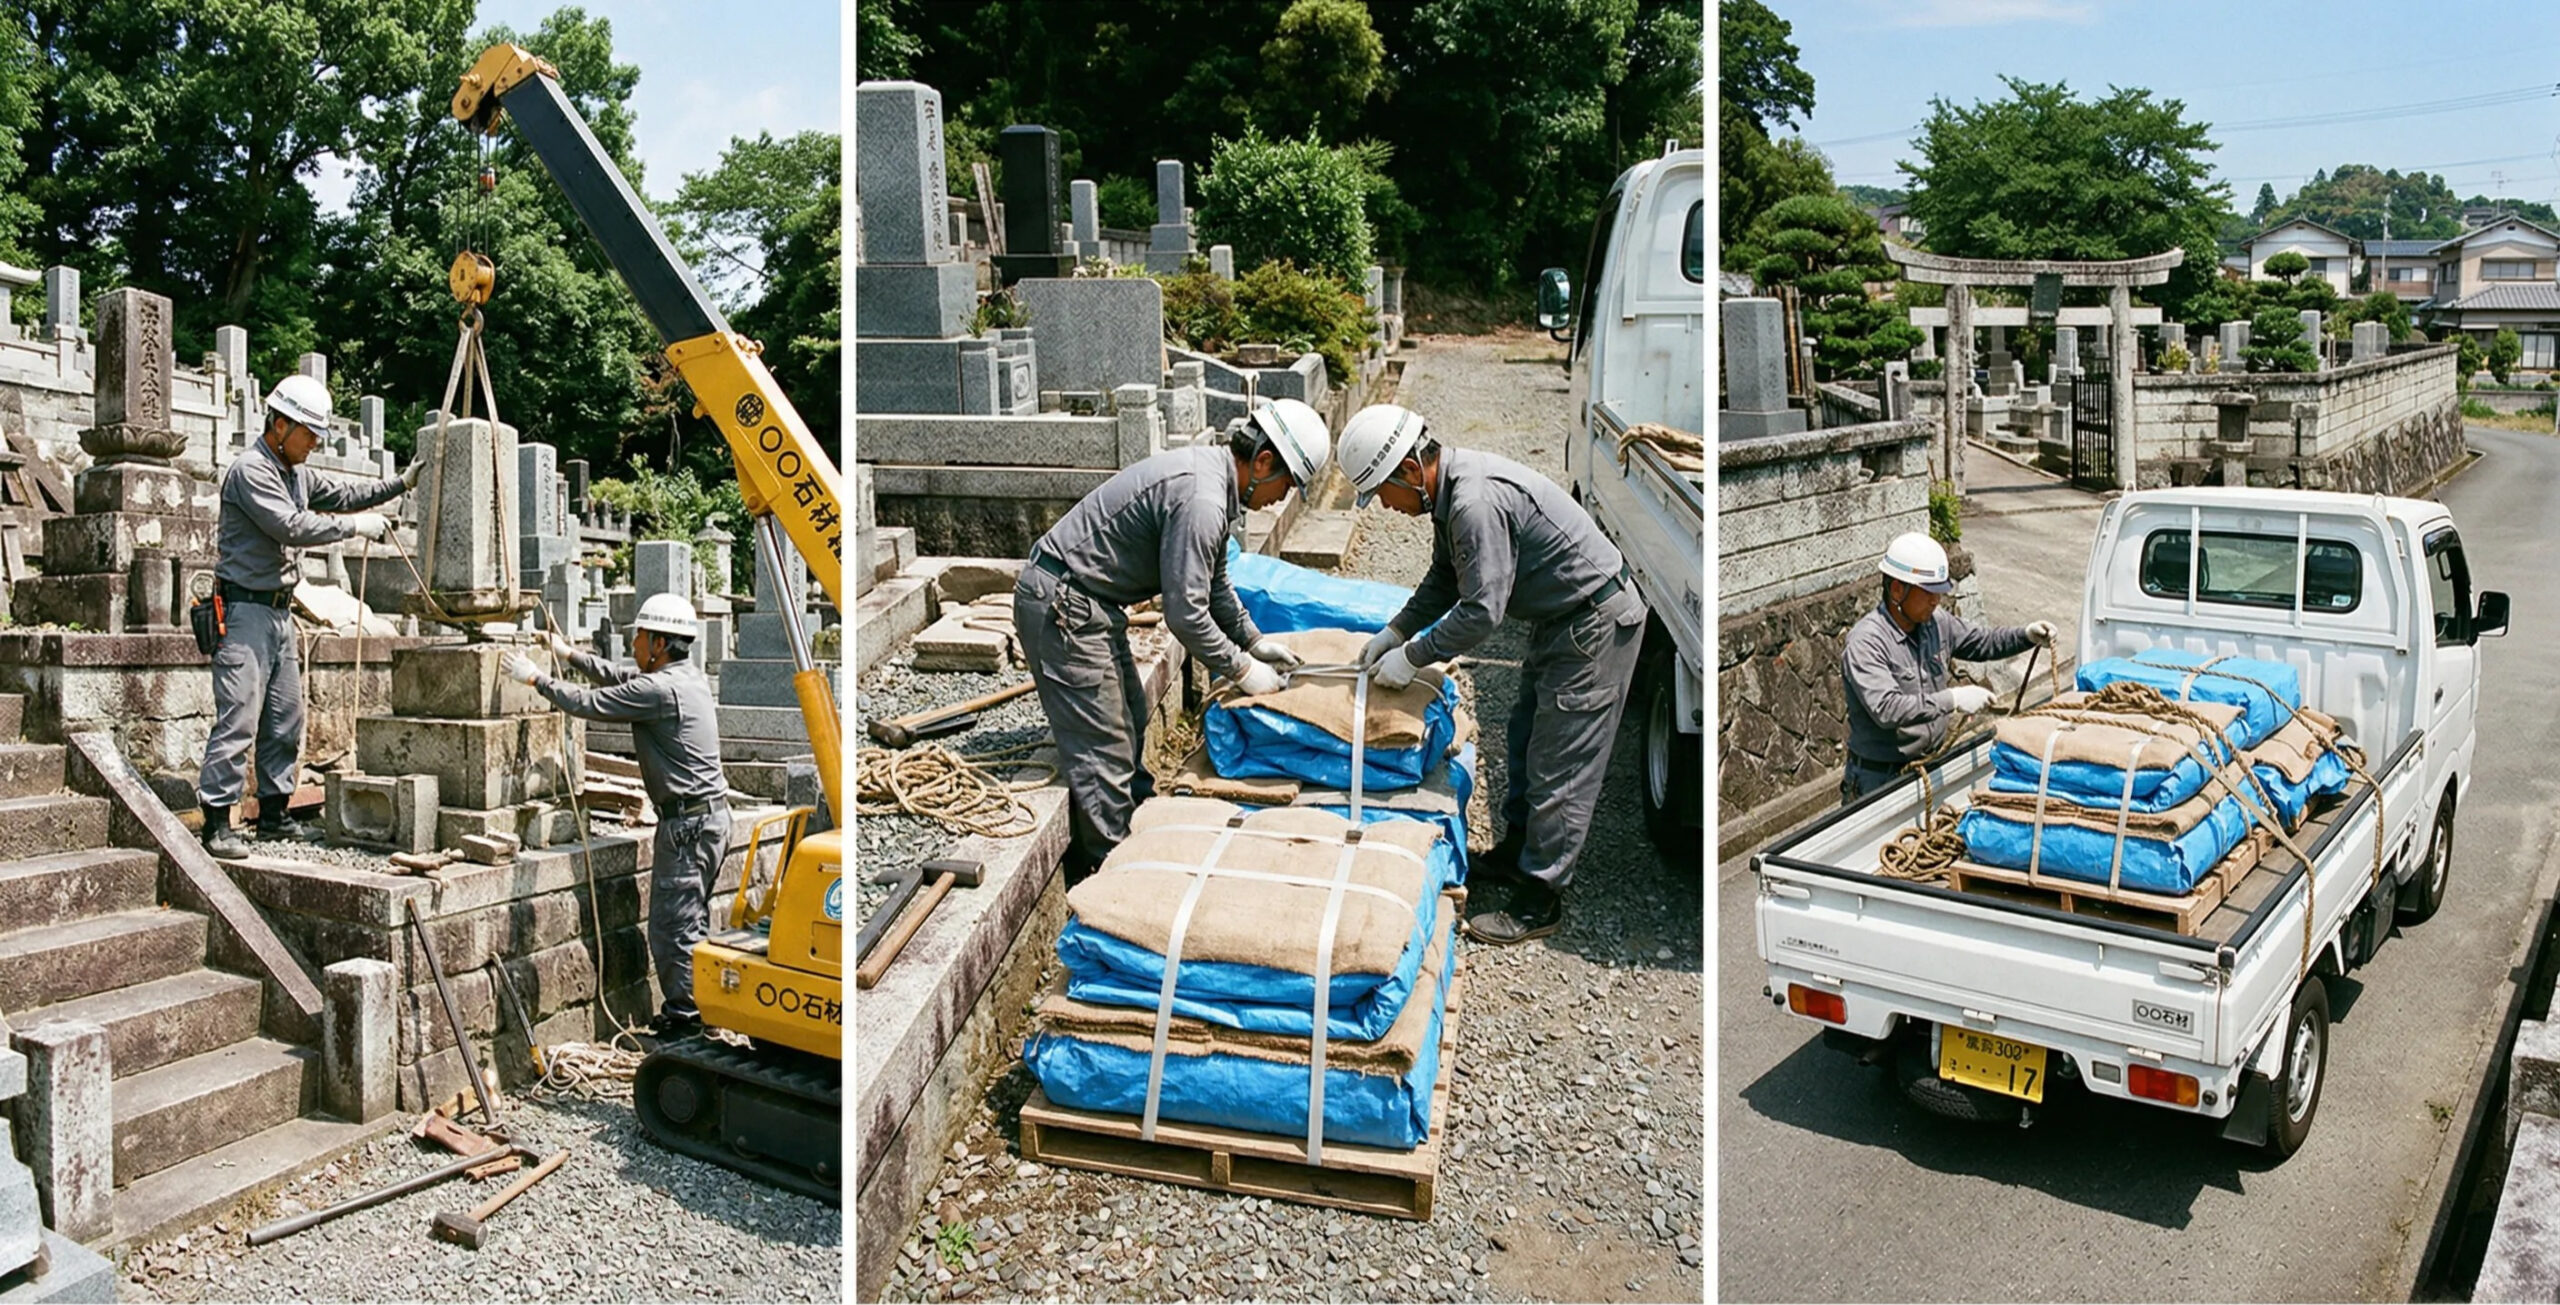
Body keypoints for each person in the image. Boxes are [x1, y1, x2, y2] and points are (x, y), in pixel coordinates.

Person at [1335, 403, 1649, 947]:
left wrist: (1414, 657)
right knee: (1527, 736)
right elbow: (1444, 578)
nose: (1386, 506)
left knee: (1561, 761)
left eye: (1384, 492)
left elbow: (1482, 610)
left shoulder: (1475, 502)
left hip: (1593, 620)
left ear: (1412, 470)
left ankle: (1540, 896)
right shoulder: (1449, 494)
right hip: (1562, 617)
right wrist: (1395, 631)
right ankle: (1517, 853)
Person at [1016, 397, 1331, 878]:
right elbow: (1186, 615)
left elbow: (1214, 583)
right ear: (1263, 461)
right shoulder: (1203, 500)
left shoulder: (1215, 487)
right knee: (1104, 749)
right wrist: (1242, 670)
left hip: (1090, 603)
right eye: (1287, 486)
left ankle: (1143, 831)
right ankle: (1111, 874)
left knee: (1132, 718)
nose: (1280, 498)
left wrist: (1252, 640)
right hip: (1065, 605)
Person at [198, 373, 410, 860]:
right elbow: (290, 526)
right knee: (239, 717)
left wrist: (402, 482)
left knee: (285, 718)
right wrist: (354, 529)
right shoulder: (252, 470)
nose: (315, 443)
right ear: (280, 424)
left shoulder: (295, 472)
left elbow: (342, 494)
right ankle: (217, 822)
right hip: (244, 611)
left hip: (278, 613)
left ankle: (273, 816)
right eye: (310, 433)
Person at [503, 593, 725, 1040]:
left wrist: (537, 680)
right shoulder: (685, 678)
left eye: (640, 637)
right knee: (692, 920)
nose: (635, 645)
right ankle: (697, 1009)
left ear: (660, 643)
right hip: (707, 819)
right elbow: (620, 677)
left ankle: (687, 1023)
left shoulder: (659, 689)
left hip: (687, 825)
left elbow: (589, 703)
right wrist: (570, 655)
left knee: (672, 927)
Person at [1839, 531, 2055, 804]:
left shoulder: (1936, 623)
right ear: (1897, 590)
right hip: (1879, 779)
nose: (1935, 600)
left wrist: (2025, 636)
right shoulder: (1867, 642)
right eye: (1928, 592)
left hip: (1930, 763)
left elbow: (1983, 642)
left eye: (1939, 592)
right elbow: (1887, 708)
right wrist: (1953, 699)